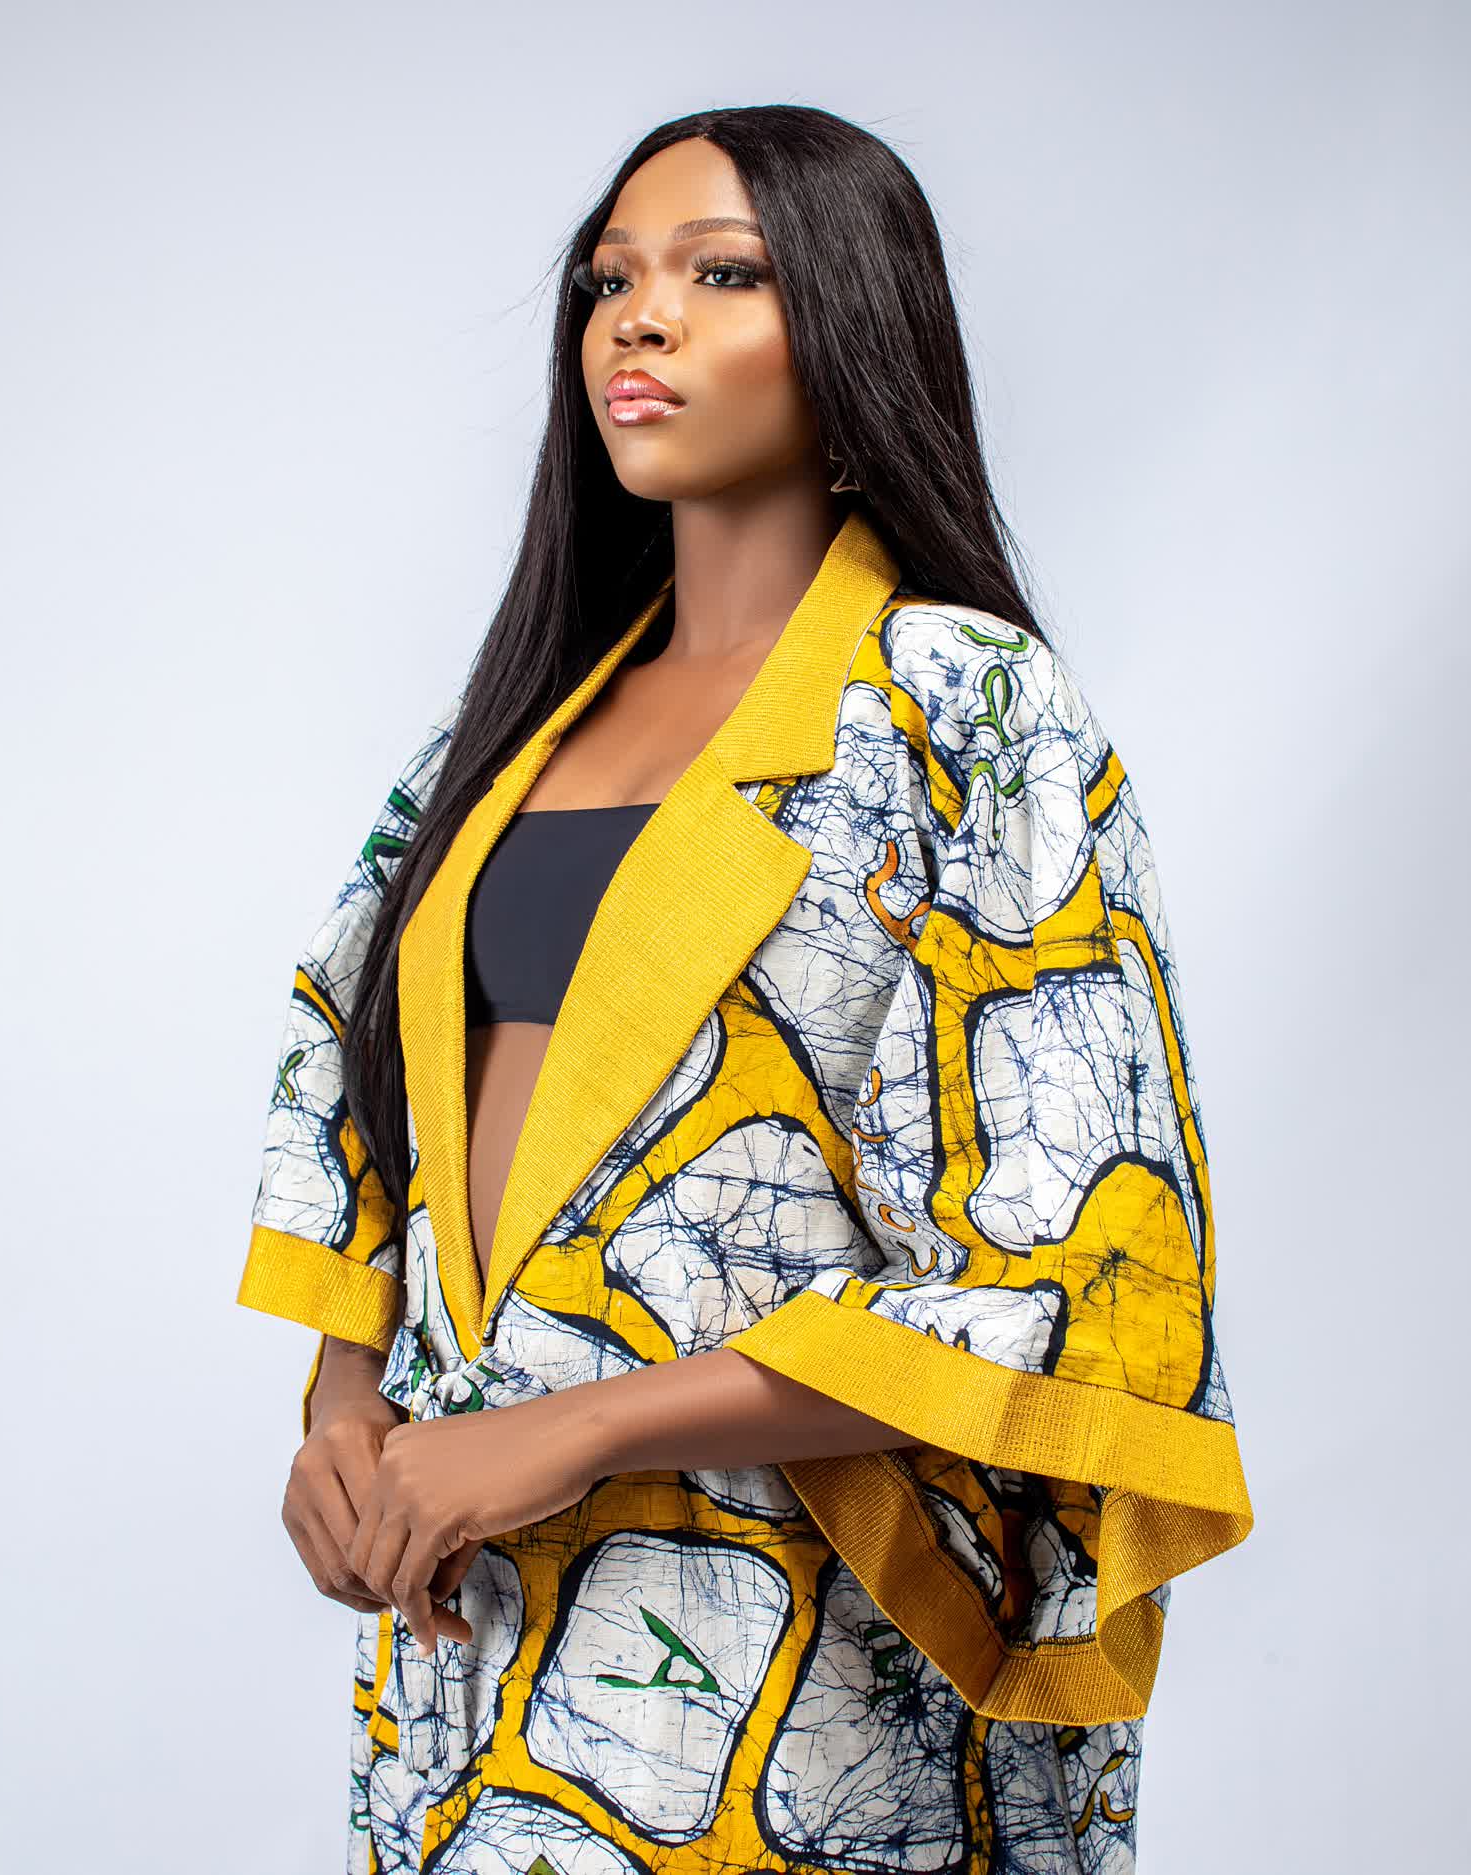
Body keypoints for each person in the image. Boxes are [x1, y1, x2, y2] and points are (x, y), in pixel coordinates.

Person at [237, 104, 1253, 1874]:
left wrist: (582, 1426)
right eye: (611, 280)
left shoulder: (962, 706)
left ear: (855, 324)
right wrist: (345, 1417)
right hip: (472, 1629)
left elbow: (1071, 1254)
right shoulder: (502, 732)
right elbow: (356, 1096)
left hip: (796, 1638)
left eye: (724, 274)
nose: (640, 318)